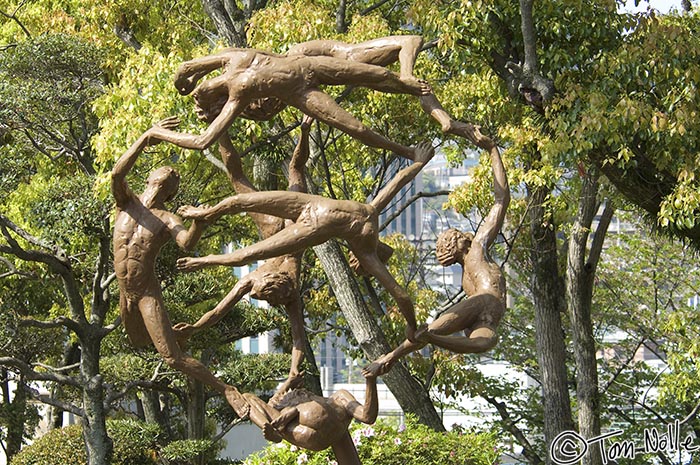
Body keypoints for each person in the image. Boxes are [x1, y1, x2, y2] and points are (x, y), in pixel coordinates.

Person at [175, 142, 436, 341]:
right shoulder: (367, 243)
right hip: (307, 218)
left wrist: (419, 163)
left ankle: (204, 215)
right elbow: (400, 294)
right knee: (248, 237)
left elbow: (397, 182)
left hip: (309, 215)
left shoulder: (372, 211)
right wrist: (412, 327)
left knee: (240, 202)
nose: (354, 261)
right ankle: (203, 220)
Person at [111, 116, 249, 418]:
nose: (170, 172)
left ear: (172, 192)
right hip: (125, 293)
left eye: (173, 177)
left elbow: (186, 243)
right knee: (136, 342)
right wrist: (147, 135)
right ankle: (174, 333)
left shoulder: (168, 218)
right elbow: (116, 173)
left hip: (146, 292)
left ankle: (225, 388)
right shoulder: (126, 202)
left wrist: (200, 220)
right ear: (149, 177)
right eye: (165, 171)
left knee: (171, 357)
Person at [172, 117, 313, 380]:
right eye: (269, 299)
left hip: (280, 230)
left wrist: (193, 327)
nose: (270, 303)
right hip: (295, 224)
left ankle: (223, 130)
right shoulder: (282, 291)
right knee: (292, 170)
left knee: (252, 177)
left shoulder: (259, 284)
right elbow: (298, 340)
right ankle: (222, 126)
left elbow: (217, 312)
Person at [363, 128, 510, 377]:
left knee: (482, 343)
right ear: (458, 244)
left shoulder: (475, 254)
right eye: (460, 235)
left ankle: (418, 343)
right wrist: (492, 149)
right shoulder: (474, 254)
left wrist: (493, 150)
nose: (467, 236)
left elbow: (501, 199)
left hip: (487, 314)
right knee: (432, 331)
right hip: (484, 305)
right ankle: (397, 353)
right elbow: (501, 199)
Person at [150, 47, 431, 160]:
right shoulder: (238, 95)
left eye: (203, 85)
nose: (205, 84)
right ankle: (405, 151)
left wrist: (183, 86)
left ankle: (409, 83)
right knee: (355, 127)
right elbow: (203, 141)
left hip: (308, 65)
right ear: (218, 100)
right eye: (205, 90)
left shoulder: (229, 59)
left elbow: (186, 67)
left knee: (380, 74)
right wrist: (157, 133)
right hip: (302, 93)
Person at [230, 370, 378, 465]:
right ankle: (272, 429)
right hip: (303, 428)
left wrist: (370, 380)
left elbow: (368, 416)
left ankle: (274, 428)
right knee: (251, 398)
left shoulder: (338, 398)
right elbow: (368, 417)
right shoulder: (338, 400)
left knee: (249, 397)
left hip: (303, 428)